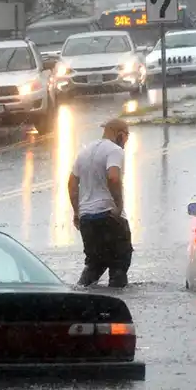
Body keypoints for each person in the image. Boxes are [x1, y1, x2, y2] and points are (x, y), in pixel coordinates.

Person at [67, 118, 133, 288]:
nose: (126, 141)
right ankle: (116, 305)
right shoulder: (115, 150)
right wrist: (119, 206)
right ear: (120, 134)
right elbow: (113, 176)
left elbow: (72, 183)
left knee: (94, 264)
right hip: (109, 215)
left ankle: (78, 295)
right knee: (119, 264)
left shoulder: (84, 151)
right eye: (126, 136)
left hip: (87, 219)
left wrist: (77, 212)